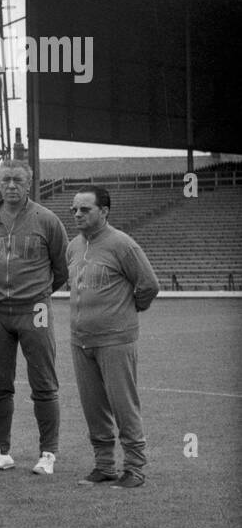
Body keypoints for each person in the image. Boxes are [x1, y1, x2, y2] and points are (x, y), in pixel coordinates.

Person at [0, 160, 69, 476]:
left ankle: (48, 453)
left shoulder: (47, 220)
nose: (11, 185)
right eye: (6, 180)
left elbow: (61, 269)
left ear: (28, 183)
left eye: (17, 180)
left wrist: (35, 294)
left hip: (35, 310)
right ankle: (0, 450)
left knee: (43, 381)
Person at [67, 186, 160, 488]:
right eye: (75, 210)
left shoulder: (123, 245)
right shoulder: (73, 247)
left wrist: (127, 312)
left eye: (85, 209)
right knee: (93, 405)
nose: (78, 215)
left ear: (104, 211)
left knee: (123, 404)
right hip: (81, 340)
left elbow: (148, 285)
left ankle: (134, 467)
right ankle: (104, 465)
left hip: (116, 340)